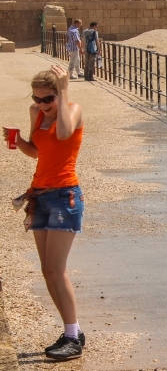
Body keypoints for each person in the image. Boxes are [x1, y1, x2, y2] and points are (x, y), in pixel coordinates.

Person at [4, 65, 85, 360]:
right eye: (38, 99)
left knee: (56, 270)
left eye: (48, 99)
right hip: (39, 195)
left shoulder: (72, 110)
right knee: (47, 270)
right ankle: (73, 329)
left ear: (59, 93)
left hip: (65, 196)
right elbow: (38, 150)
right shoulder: (36, 112)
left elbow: (63, 134)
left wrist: (63, 94)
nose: (42, 105)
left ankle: (72, 337)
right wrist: (18, 143)